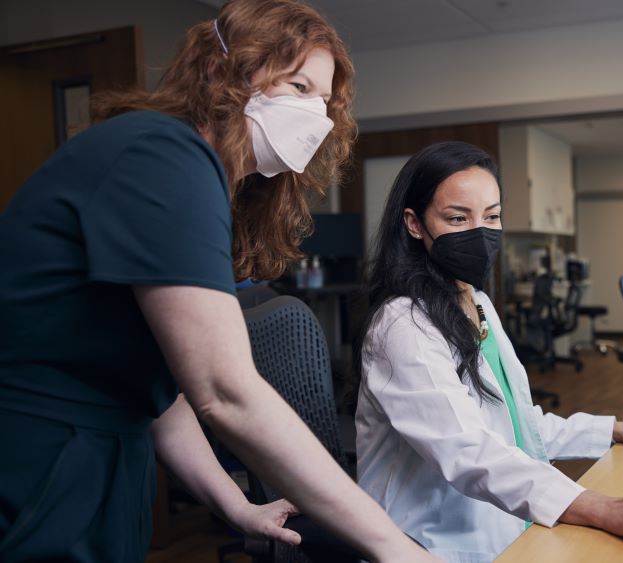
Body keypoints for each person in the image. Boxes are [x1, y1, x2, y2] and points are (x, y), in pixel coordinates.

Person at [0, 1, 439, 561]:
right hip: (38, 458)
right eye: (298, 86)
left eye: (324, 101)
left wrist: (236, 505)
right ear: (220, 70)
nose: (315, 115)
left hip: (103, 461)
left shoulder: (196, 175)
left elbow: (160, 392)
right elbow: (225, 390)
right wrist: (392, 546)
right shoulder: (162, 153)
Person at [355, 141, 623, 562]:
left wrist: (614, 430)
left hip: (505, 524)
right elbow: (468, 451)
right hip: (431, 542)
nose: (480, 232)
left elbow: (515, 425)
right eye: (458, 218)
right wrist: (598, 506)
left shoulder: (476, 303)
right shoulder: (403, 325)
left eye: (491, 216)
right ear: (414, 224)